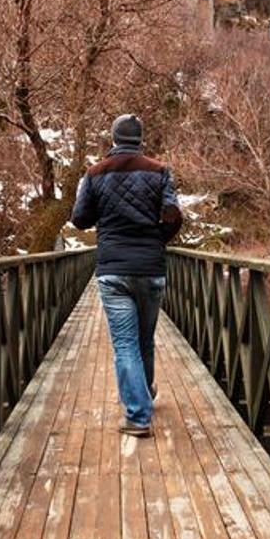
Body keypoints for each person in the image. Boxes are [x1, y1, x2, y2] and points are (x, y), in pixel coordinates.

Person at [71, 114, 183, 437]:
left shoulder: (94, 174)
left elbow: (80, 220)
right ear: (140, 138)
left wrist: (101, 212)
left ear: (113, 138)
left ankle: (137, 415)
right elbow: (174, 215)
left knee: (125, 344)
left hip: (113, 269)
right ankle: (143, 393)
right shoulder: (160, 171)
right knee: (144, 339)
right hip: (150, 268)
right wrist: (158, 239)